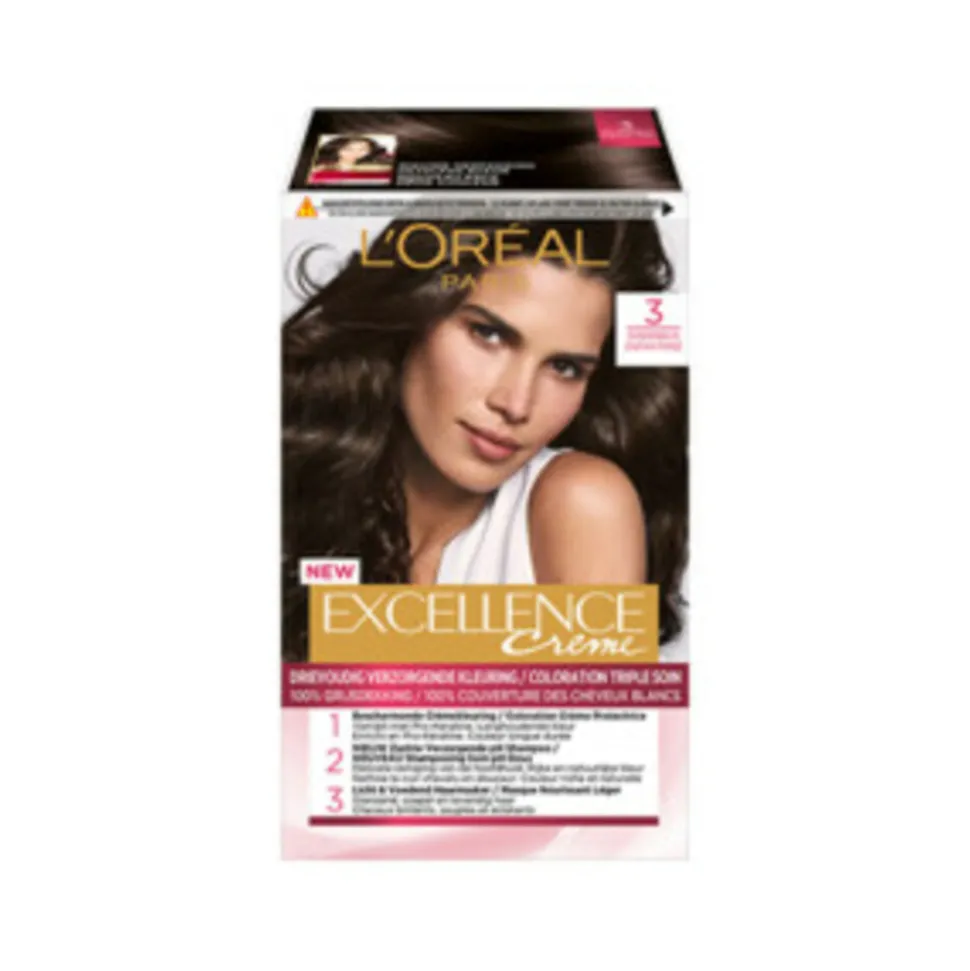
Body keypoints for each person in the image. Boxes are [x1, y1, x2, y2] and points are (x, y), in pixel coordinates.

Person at [282, 219, 687, 661]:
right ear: (413, 314)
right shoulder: (295, 483)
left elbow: (601, 711)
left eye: (565, 367)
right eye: (489, 334)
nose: (516, 404)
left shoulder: (582, 504)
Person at [308, 135, 390, 179]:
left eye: (363, 149)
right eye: (348, 149)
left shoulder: (381, 165)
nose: (356, 153)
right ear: (336, 150)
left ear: (371, 150)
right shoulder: (319, 168)